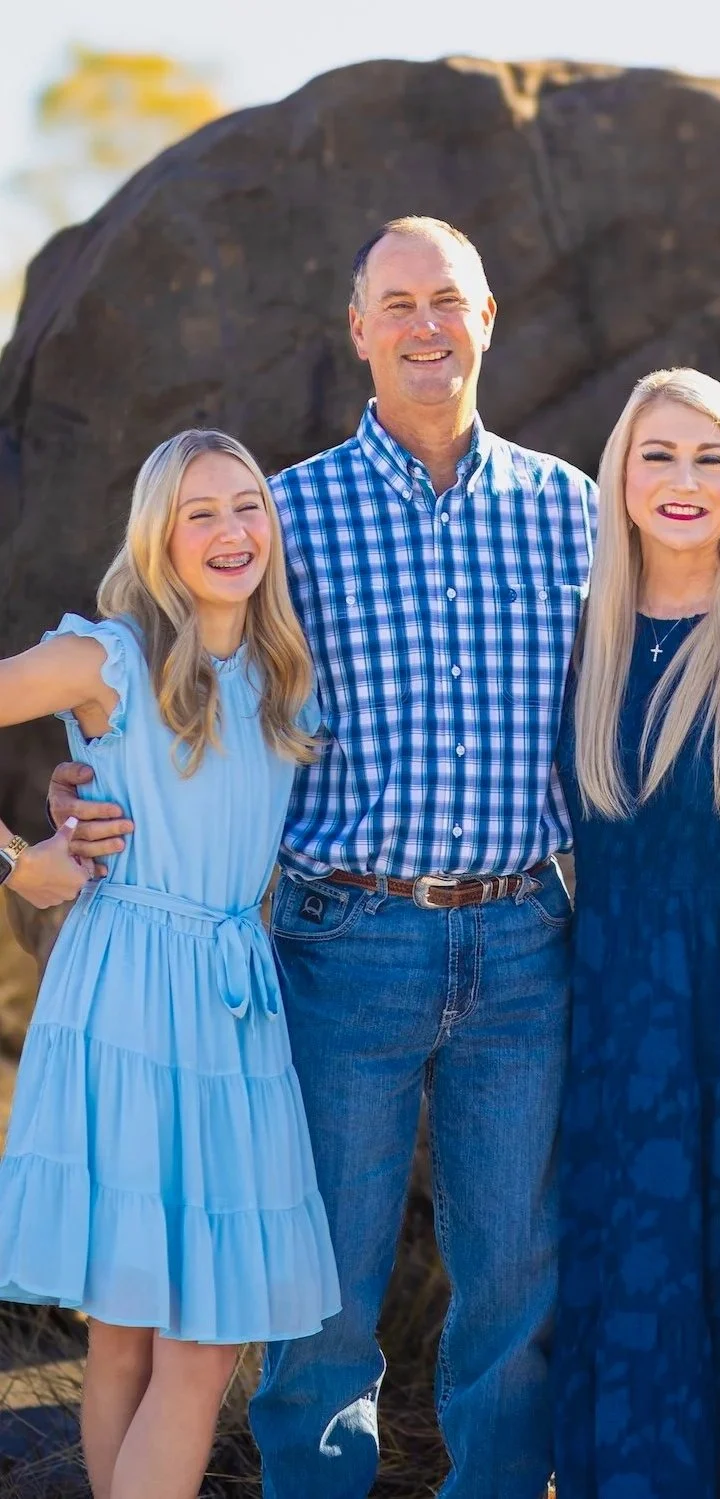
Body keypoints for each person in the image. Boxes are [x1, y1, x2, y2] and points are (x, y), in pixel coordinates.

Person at [50, 216, 596, 1499]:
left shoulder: (571, 510)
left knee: (516, 1276)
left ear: (488, 317)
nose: (425, 325)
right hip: (343, 940)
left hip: (528, 938)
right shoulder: (280, 516)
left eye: (448, 301)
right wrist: (80, 796)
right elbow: (156, 669)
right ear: (357, 328)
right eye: (396, 302)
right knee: (322, 1283)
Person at [1, 429, 340, 1499]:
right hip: (128, 998)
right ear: (160, 535)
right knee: (173, 1341)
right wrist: (20, 863)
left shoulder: (286, 672)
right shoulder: (107, 657)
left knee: (148, 1342)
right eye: (202, 512)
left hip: (235, 1007)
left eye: (248, 505)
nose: (232, 530)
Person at [554, 367, 720, 1498]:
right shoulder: (579, 630)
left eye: (710, 456)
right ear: (621, 474)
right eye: (658, 454)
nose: (684, 480)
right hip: (613, 1031)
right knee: (627, 1278)